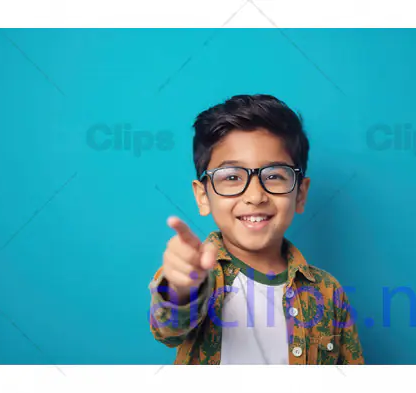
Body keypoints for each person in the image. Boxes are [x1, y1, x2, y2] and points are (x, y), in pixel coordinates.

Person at [148, 94, 364, 365]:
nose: (255, 196)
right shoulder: (197, 276)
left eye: (274, 176)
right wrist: (182, 288)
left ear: (300, 194)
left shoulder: (328, 293)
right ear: (203, 196)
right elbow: (168, 330)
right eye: (231, 177)